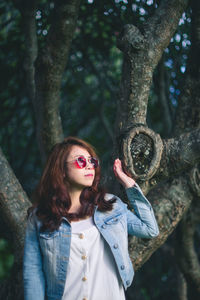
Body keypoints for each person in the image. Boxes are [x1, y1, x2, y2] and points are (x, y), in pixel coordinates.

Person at [23, 136, 159, 300]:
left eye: (92, 161)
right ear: (62, 171)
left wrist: (129, 185)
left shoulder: (110, 205)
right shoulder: (39, 217)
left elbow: (150, 229)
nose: (89, 166)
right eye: (80, 161)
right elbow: (33, 272)